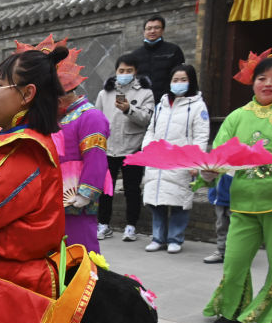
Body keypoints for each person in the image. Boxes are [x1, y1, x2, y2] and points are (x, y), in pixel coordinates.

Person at [203, 53, 272, 323]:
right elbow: (219, 153)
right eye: (262, 78)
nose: (268, 84)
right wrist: (208, 172)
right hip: (243, 199)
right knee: (234, 261)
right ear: (252, 82)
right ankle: (231, 309)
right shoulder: (238, 116)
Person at [140, 64, 209, 254]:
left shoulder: (197, 106)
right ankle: (158, 238)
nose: (178, 84)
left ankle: (175, 239)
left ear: (191, 82)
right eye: (175, 80)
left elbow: (201, 136)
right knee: (156, 200)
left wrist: (196, 161)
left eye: (183, 80)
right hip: (158, 159)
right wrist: (147, 150)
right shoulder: (161, 105)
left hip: (181, 161)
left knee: (179, 201)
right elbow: (151, 130)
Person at [94, 54, 155, 242]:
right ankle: (103, 224)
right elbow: (97, 118)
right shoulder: (105, 93)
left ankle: (131, 226)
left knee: (132, 189)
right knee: (105, 190)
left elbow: (147, 119)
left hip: (132, 148)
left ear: (135, 72)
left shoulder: (146, 93)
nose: (125, 74)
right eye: (121, 71)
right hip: (109, 148)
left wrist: (129, 109)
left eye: (129, 71)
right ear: (116, 72)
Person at [58, 80, 110, 254]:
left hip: (76, 197)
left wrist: (85, 193)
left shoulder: (90, 115)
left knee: (81, 249)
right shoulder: (58, 117)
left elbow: (96, 156)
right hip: (55, 195)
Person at [128, 15, 186, 104]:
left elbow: (181, 75)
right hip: (143, 102)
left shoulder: (173, 50)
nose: (152, 31)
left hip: (167, 101)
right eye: (149, 28)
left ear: (162, 30)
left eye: (156, 28)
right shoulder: (135, 55)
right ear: (144, 31)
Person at [203, 174, 232, 263]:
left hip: (235, 198)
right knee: (221, 226)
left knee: (235, 229)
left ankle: (237, 253)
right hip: (219, 197)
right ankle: (221, 251)